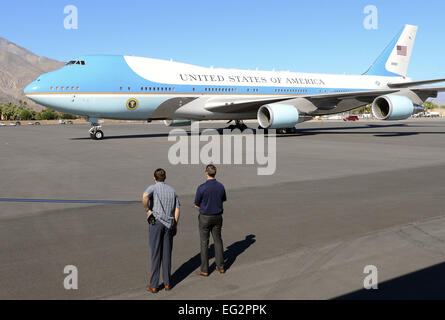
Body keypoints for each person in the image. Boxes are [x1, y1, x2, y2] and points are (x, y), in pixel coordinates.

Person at [142, 168, 180, 293]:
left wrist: (148, 210)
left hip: (155, 221)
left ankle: (154, 285)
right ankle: (168, 283)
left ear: (154, 178)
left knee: (155, 253)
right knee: (167, 253)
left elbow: (144, 196)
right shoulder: (172, 190)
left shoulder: (153, 187)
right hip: (169, 223)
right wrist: (174, 225)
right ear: (165, 178)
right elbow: (177, 209)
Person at [194, 164, 227, 276]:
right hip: (217, 216)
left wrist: (203, 208)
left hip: (205, 217)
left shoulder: (202, 187)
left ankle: (205, 269)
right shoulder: (221, 186)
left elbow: (196, 204)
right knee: (218, 240)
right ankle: (221, 266)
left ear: (206, 173)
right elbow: (223, 199)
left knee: (204, 243)